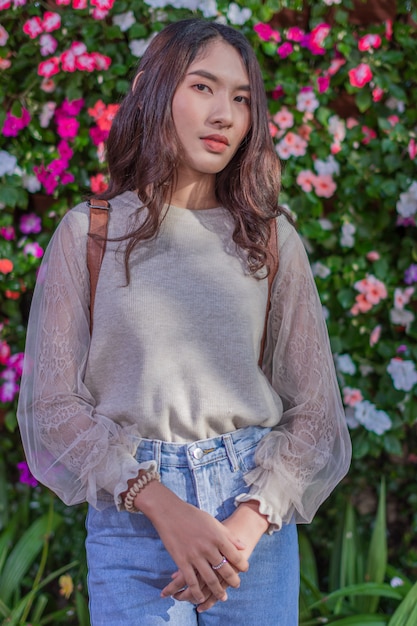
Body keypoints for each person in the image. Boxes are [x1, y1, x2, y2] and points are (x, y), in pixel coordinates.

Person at [17, 17, 351, 626]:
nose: (224, 113)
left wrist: (247, 528)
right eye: (203, 87)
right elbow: (53, 408)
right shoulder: (89, 234)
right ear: (153, 88)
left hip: (251, 522)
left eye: (241, 97)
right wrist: (162, 505)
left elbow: (316, 416)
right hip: (133, 525)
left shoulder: (271, 241)